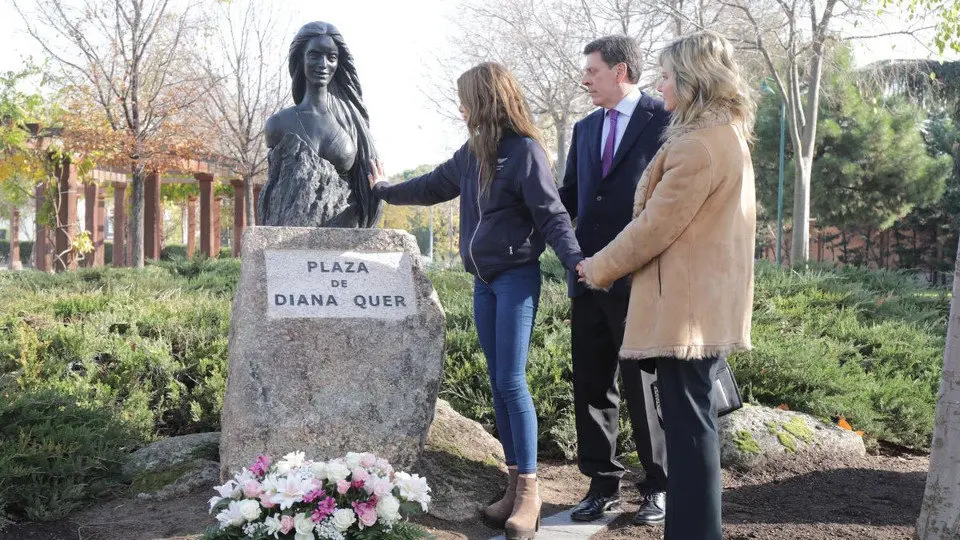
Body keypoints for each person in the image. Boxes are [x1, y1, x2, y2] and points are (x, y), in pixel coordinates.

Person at [369, 62, 583, 540]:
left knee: (510, 380)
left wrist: (577, 262)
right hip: (484, 281)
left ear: (486, 99)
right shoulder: (473, 154)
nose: (459, 105)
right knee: (497, 381)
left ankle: (529, 492)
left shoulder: (524, 152)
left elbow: (551, 214)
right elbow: (430, 186)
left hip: (515, 278)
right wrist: (383, 188)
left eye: (464, 97)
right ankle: (513, 483)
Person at [579, 30, 757, 540]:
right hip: (701, 305)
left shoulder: (698, 146)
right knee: (689, 425)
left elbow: (654, 226)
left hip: (686, 311)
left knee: (689, 430)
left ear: (692, 79)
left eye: (666, 75)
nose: (660, 84)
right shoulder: (726, 137)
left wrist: (598, 267)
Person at [557, 35, 671, 524]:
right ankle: (600, 485)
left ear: (621, 70)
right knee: (591, 382)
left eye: (593, 70)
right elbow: (569, 197)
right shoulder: (584, 130)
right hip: (586, 279)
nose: (585, 79)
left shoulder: (665, 120)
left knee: (642, 384)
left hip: (639, 279)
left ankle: (657, 488)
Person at [260, 21, 381, 228]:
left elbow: (367, 183)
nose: (323, 64)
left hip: (344, 233)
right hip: (291, 234)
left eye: (331, 57)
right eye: (314, 55)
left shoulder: (353, 125)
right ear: (300, 58)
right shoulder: (278, 124)